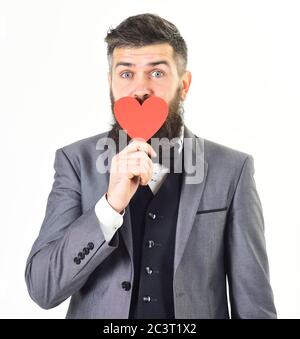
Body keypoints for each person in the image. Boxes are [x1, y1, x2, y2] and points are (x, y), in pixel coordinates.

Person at [25, 13, 276, 319]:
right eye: (126, 73)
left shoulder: (232, 171)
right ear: (110, 83)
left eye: (157, 73)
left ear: (184, 85)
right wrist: (109, 207)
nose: (140, 88)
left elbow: (254, 305)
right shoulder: (76, 162)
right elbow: (43, 288)